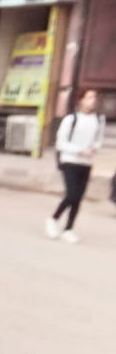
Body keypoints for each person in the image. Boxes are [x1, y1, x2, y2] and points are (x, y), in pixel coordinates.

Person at [46, 89, 105, 244]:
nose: (93, 101)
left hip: (86, 163)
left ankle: (69, 228)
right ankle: (53, 219)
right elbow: (61, 142)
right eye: (89, 97)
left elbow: (99, 140)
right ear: (81, 100)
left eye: (94, 98)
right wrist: (79, 150)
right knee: (71, 195)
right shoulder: (71, 119)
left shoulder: (99, 120)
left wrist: (94, 148)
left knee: (78, 198)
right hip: (70, 161)